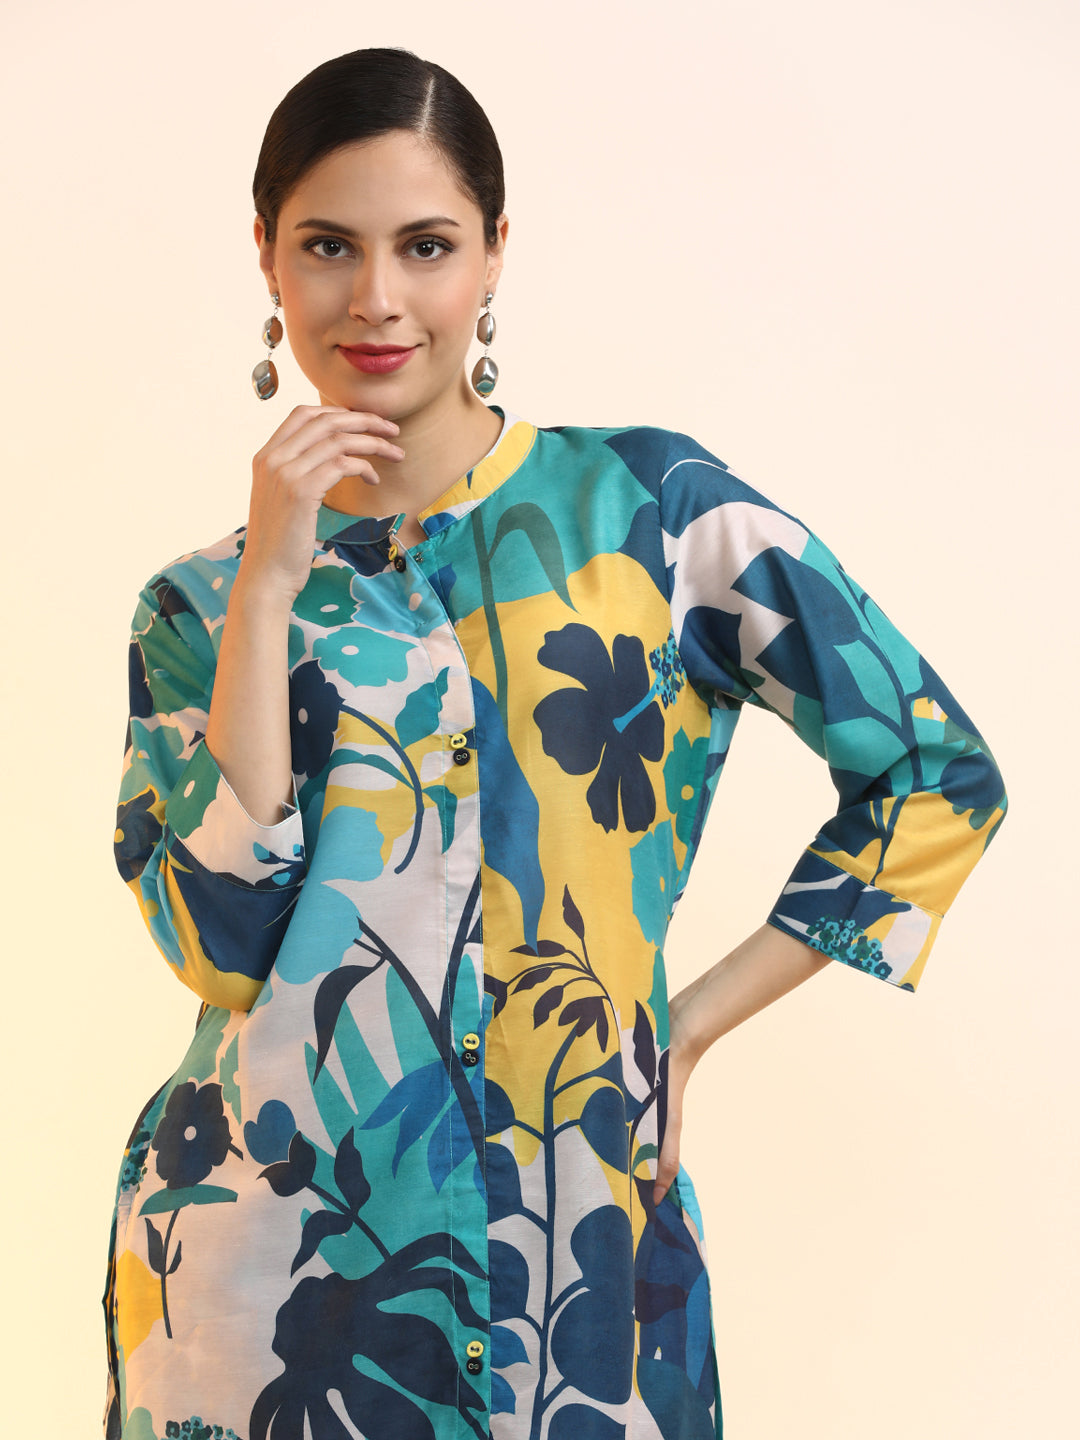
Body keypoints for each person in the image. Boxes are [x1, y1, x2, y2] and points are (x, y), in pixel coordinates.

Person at [103, 45, 1007, 1440]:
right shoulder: (201, 604)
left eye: (426, 245)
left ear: (495, 255)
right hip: (263, 1287)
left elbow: (935, 771)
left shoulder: (652, 514)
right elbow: (222, 950)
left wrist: (683, 1032)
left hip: (583, 1251)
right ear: (267, 258)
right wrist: (272, 587)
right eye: (329, 245)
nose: (377, 296)